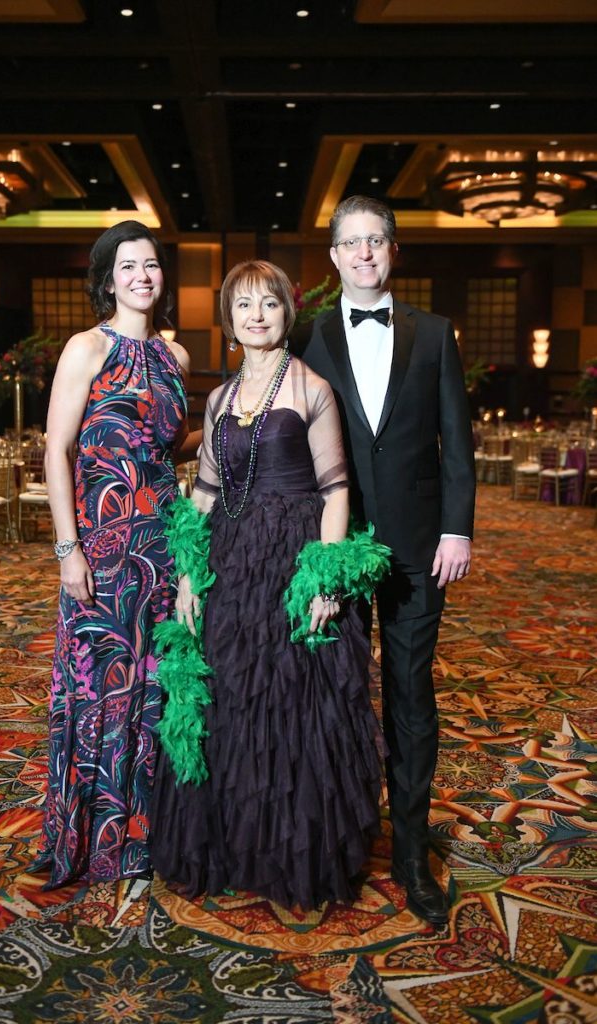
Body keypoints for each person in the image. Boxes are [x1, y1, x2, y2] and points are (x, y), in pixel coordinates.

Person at [150, 260, 390, 910]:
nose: (257, 317)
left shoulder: (311, 387)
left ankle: (290, 851)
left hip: (291, 560)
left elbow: (336, 491)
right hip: (230, 564)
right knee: (229, 701)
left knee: (292, 706)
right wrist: (186, 577)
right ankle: (234, 846)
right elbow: (201, 494)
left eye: (270, 305)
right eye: (244, 307)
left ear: (287, 312)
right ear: (228, 321)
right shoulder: (220, 398)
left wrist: (324, 579)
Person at [298, 195, 476, 927]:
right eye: (351, 243)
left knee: (409, 693)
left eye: (376, 241)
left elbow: (454, 442)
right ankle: (341, 836)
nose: (364, 254)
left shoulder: (433, 335)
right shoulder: (306, 338)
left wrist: (456, 530)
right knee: (335, 694)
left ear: (392, 251)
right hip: (336, 546)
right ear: (334, 257)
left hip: (415, 546)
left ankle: (409, 852)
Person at [32, 220, 190, 888]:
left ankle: (145, 839)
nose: (141, 276)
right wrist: (68, 549)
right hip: (101, 547)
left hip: (163, 543)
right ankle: (85, 840)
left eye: (150, 265)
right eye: (128, 266)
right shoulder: (85, 349)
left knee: (154, 689)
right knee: (99, 687)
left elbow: (170, 450)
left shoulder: (176, 357)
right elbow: (56, 451)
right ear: (107, 278)